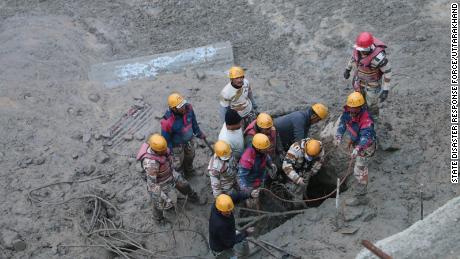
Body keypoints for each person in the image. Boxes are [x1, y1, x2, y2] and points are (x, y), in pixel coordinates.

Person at [136, 134, 204, 224]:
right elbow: (152, 184)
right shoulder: (150, 164)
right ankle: (158, 219)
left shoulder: (164, 149)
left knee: (184, 184)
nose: (165, 151)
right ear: (155, 150)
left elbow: (171, 159)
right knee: (159, 202)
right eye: (162, 151)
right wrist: (165, 197)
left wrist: (176, 167)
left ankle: (193, 197)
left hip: (170, 174)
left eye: (165, 149)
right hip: (159, 183)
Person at [334, 92, 376, 206]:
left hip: (365, 147)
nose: (351, 112)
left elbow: (366, 137)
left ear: (360, 107)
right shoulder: (348, 111)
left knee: (359, 171)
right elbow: (343, 123)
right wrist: (338, 136)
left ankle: (361, 197)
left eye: (354, 110)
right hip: (356, 141)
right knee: (358, 169)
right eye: (350, 109)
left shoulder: (366, 119)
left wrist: (357, 148)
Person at [344, 32, 392, 116]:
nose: (361, 52)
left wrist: (386, 89)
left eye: (364, 50)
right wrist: (347, 69)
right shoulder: (357, 51)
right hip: (358, 81)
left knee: (372, 104)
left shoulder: (378, 58)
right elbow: (353, 59)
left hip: (373, 84)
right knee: (358, 99)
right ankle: (360, 115)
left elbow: (387, 71)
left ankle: (373, 118)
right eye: (360, 50)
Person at [161, 93, 206, 177]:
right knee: (177, 164)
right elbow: (166, 140)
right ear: (173, 108)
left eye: (183, 104)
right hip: (176, 146)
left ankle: (189, 171)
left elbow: (194, 122)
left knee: (190, 156)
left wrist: (199, 133)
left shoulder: (189, 108)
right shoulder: (167, 122)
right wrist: (169, 153)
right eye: (180, 106)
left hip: (189, 140)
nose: (183, 107)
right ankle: (181, 176)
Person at [209, 192, 259, 258]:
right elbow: (230, 243)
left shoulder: (220, 203)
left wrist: (249, 194)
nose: (229, 213)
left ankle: (243, 254)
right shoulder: (220, 225)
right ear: (219, 210)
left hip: (227, 234)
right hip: (221, 248)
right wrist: (246, 233)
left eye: (230, 210)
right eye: (227, 212)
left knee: (241, 240)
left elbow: (235, 197)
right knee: (231, 256)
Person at [238, 133, 276, 209]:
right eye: (265, 148)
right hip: (250, 184)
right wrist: (248, 192)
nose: (267, 149)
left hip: (260, 178)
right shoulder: (247, 159)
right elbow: (240, 178)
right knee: (253, 203)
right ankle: (253, 211)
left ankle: (260, 200)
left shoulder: (262, 151)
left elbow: (266, 156)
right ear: (258, 148)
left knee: (260, 193)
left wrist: (271, 164)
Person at [282, 138, 325, 203]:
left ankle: (302, 196)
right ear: (305, 148)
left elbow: (319, 161)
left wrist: (311, 172)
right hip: (294, 171)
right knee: (293, 189)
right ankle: (293, 201)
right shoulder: (295, 149)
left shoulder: (319, 148)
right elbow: (286, 166)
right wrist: (297, 179)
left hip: (306, 170)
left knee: (302, 187)